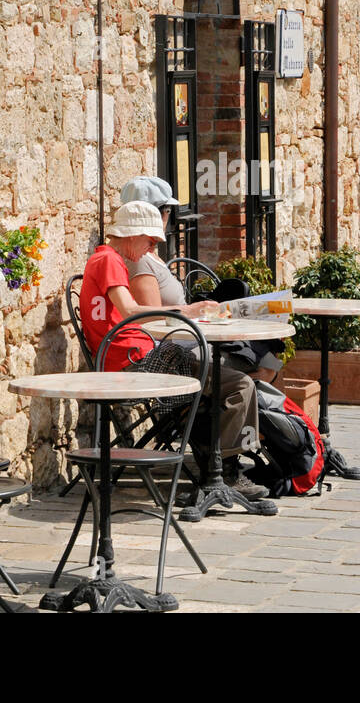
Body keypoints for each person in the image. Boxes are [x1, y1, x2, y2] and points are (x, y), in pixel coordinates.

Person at [80, 199, 268, 499]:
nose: (152, 247)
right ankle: (223, 473)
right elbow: (129, 310)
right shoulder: (109, 260)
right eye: (150, 239)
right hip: (134, 362)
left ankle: (218, 470)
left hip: (137, 356)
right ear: (132, 234)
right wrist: (187, 311)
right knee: (237, 385)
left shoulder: (106, 259)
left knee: (223, 385)